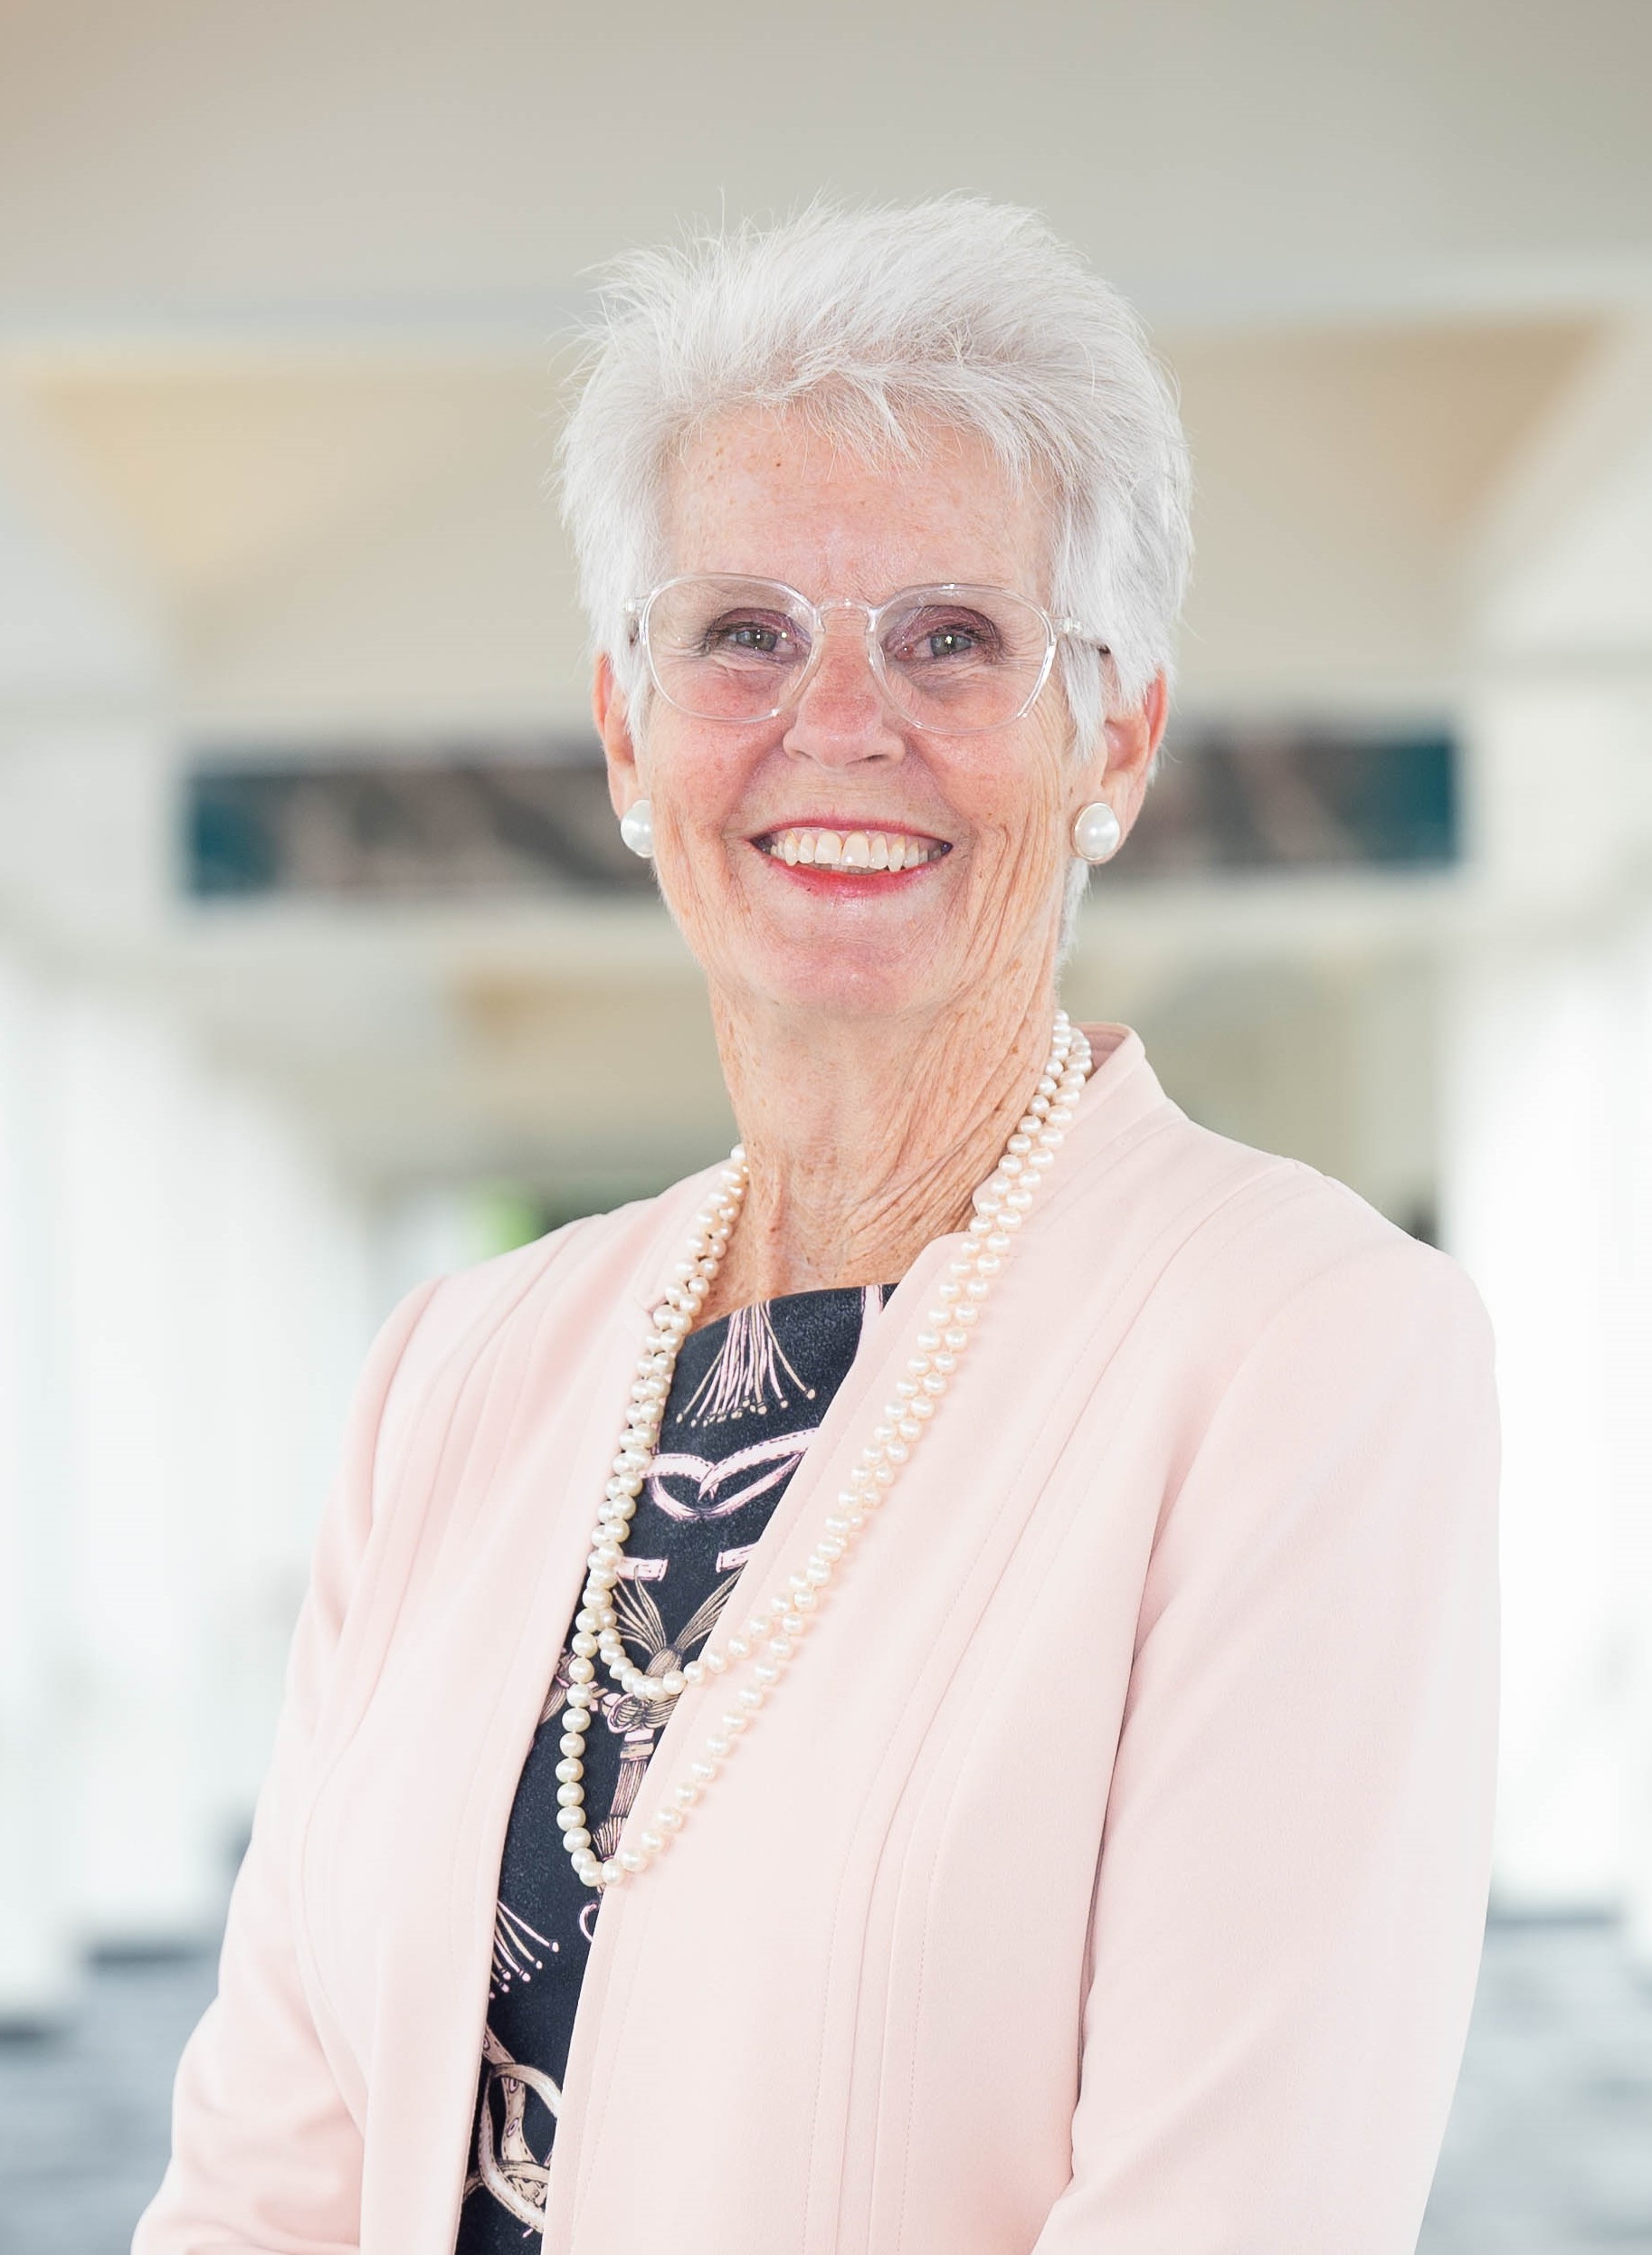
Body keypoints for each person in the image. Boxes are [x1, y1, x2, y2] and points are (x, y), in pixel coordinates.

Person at [135, 198, 1498, 2255]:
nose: (840, 721)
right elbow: (263, 2169)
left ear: (1115, 735)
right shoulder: (454, 1371)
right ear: (627, 725)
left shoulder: (1302, 1347)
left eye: (953, 637)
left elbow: (1234, 2211)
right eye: (742, 633)